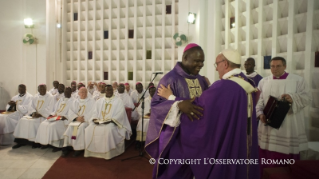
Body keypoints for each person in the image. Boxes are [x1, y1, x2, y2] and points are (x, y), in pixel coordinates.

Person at [156, 49, 259, 179]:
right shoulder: (247, 83)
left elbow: (197, 109)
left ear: (225, 64)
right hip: (240, 139)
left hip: (226, 142)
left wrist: (171, 98)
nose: (216, 69)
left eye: (217, 64)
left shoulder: (223, 86)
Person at [144, 43, 209, 178]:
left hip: (198, 136)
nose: (200, 64)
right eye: (197, 61)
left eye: (202, 61)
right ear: (185, 58)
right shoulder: (170, 79)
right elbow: (156, 105)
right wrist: (178, 105)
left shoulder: (201, 80)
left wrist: (175, 99)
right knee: (174, 172)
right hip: (176, 138)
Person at [256, 57, 311, 173]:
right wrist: (260, 114)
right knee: (266, 156)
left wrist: (292, 98)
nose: (274, 69)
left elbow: (307, 98)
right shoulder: (263, 82)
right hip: (267, 127)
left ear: (285, 66)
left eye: (278, 66)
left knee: (286, 166)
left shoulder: (298, 80)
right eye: (272, 66)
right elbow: (259, 101)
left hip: (288, 128)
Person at [84, 85, 132, 160]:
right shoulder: (99, 101)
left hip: (112, 122)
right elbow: (94, 112)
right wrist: (94, 119)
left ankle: (108, 153)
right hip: (100, 121)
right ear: (105, 91)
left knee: (108, 129)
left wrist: (111, 120)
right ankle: (92, 152)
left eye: (110, 90)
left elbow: (120, 113)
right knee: (89, 128)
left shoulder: (118, 101)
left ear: (113, 91)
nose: (109, 91)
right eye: (107, 90)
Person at [12, 84, 55, 149]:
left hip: (43, 116)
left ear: (46, 89)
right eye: (41, 89)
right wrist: (33, 112)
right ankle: (21, 141)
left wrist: (40, 114)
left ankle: (35, 142)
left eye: (44, 89)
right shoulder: (35, 96)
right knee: (22, 120)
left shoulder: (50, 97)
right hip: (35, 115)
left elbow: (50, 108)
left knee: (34, 122)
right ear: (38, 90)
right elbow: (31, 106)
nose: (42, 90)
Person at [35, 87, 74, 152]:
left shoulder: (73, 101)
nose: (66, 93)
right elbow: (55, 109)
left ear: (71, 92)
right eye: (65, 91)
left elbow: (72, 113)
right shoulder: (61, 100)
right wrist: (52, 114)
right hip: (56, 117)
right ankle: (45, 143)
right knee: (43, 124)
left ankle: (57, 145)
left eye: (68, 91)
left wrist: (64, 117)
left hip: (64, 119)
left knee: (52, 126)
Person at [62, 87, 95, 157]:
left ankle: (78, 148)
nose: (83, 94)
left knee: (80, 128)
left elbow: (93, 112)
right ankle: (68, 145)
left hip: (85, 121)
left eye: (85, 92)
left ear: (87, 93)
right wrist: (76, 118)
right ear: (79, 93)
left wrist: (83, 118)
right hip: (77, 120)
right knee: (71, 126)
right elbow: (71, 111)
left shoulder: (92, 101)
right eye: (82, 92)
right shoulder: (75, 101)